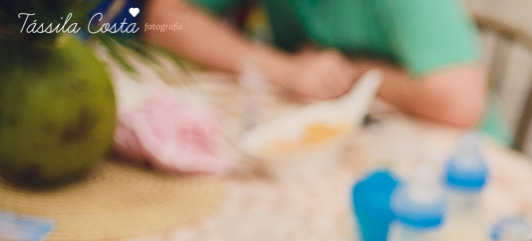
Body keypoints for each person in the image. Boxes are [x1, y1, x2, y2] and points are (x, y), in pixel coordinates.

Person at [142, 0, 486, 129]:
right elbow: (164, 19)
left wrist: (351, 72)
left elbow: (458, 102)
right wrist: (283, 69)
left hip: (454, 156)